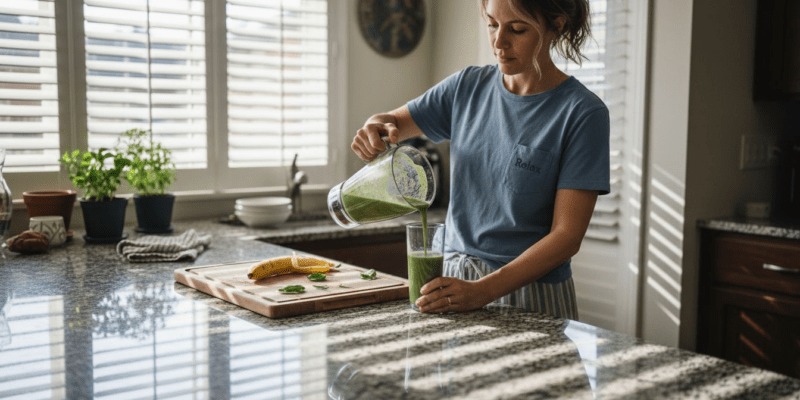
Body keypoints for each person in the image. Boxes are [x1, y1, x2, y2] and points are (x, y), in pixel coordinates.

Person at [350, 0, 609, 319]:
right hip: (454, 285)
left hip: (530, 294)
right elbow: (393, 121)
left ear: (556, 25)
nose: (499, 42)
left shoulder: (582, 114)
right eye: (491, 24)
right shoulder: (467, 87)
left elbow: (566, 237)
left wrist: (483, 290)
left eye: (517, 29)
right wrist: (374, 127)